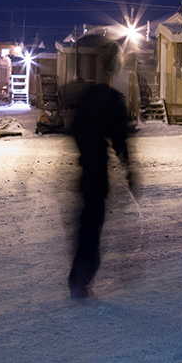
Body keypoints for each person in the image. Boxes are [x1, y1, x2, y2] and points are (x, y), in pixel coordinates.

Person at [64, 32, 136, 299]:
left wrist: (86, 151)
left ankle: (78, 277)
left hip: (85, 173)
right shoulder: (112, 99)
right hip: (98, 174)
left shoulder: (88, 96)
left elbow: (75, 130)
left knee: (85, 225)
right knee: (92, 227)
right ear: (115, 66)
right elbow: (121, 139)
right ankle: (80, 281)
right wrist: (130, 171)